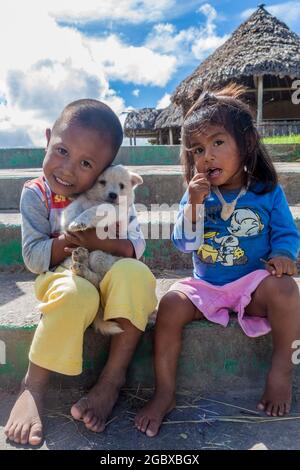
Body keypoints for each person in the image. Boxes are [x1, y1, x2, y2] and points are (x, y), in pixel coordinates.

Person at [135, 84, 300, 437]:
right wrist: (193, 205)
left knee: (286, 290)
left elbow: (286, 233)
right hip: (207, 286)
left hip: (251, 286)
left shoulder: (266, 192)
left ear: (247, 145)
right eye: (197, 149)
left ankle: (281, 372)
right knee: (170, 304)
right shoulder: (195, 195)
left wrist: (284, 256)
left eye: (217, 143)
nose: (206, 156)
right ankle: (164, 393)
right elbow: (183, 242)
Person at [4, 99, 157, 445]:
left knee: (136, 275)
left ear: (104, 169)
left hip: (109, 275)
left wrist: (98, 240)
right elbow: (33, 257)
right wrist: (71, 241)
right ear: (47, 139)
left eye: (86, 164)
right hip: (61, 277)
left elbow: (136, 244)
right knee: (76, 292)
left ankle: (110, 382)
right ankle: (34, 386)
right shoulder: (35, 195)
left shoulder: (113, 194)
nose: (68, 169)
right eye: (61, 150)